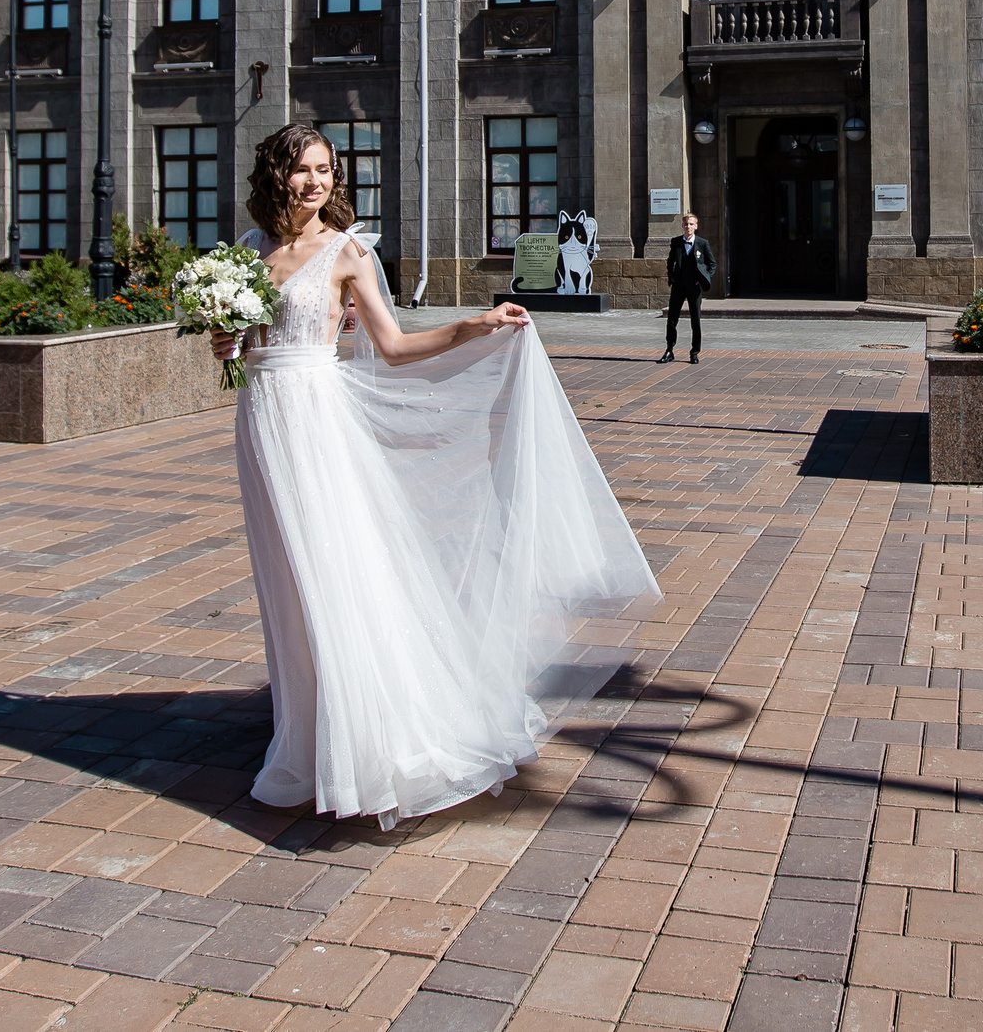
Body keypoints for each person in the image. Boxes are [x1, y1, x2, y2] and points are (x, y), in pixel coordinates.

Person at [210, 124, 660, 826]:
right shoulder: (247, 250)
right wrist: (223, 339)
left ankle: (374, 740)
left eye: (324, 170)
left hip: (316, 427)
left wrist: (475, 325)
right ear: (275, 173)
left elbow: (391, 347)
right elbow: (239, 348)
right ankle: (305, 732)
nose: (314, 182)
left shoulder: (347, 252)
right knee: (286, 585)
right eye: (301, 169)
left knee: (333, 575)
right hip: (261, 424)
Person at [661, 212, 714, 365]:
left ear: (696, 226)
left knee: (695, 320)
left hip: (694, 287)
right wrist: (671, 277)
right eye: (686, 224)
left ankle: (694, 352)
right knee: (672, 319)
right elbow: (670, 262)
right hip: (678, 285)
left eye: (691, 224)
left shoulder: (703, 243)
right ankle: (669, 350)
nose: (688, 226)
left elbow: (712, 263)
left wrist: (705, 278)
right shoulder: (676, 242)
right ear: (682, 226)